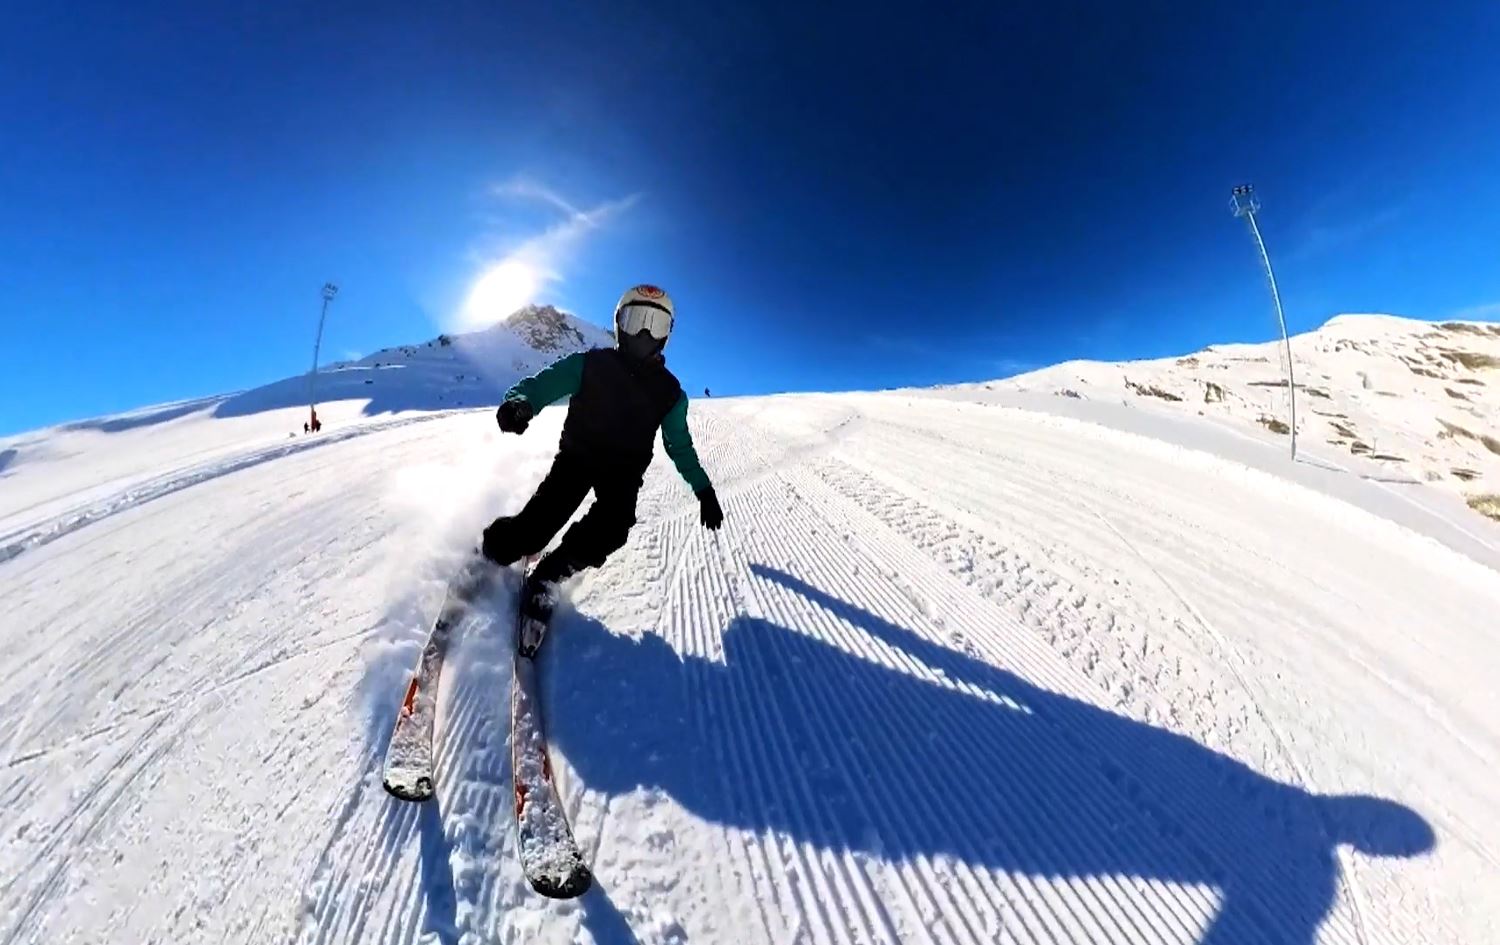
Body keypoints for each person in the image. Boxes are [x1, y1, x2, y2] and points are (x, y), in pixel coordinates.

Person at [482, 284, 723, 631]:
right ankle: (491, 551)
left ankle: (548, 576)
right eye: (636, 319)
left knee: (613, 526)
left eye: (655, 325)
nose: (644, 332)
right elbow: (542, 384)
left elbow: (679, 446)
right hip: (577, 460)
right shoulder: (591, 364)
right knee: (533, 532)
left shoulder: (670, 394)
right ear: (619, 325)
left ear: (666, 335)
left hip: (623, 474)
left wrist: (703, 489)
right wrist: (521, 404)